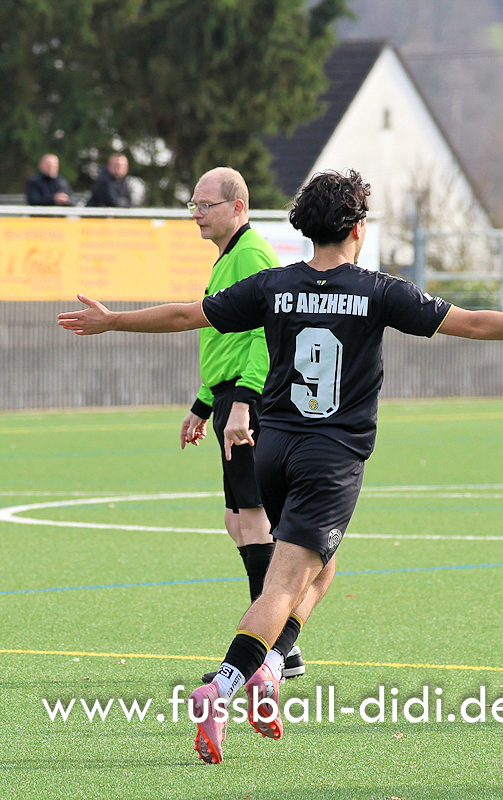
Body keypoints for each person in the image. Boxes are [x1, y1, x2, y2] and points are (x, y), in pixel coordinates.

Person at [57, 169, 503, 764]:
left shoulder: (274, 285)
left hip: (274, 450)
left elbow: (185, 316)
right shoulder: (378, 291)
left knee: (320, 570)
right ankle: (221, 688)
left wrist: (113, 320)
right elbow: (473, 323)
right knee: (284, 585)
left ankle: (271, 666)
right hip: (330, 458)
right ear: (357, 228)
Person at [177, 167, 305, 686]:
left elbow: (262, 339)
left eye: (205, 204)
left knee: (253, 521)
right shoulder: (229, 256)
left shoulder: (251, 255)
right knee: (238, 521)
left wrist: (243, 403)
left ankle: (271, 652)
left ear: (238, 207)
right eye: (193, 204)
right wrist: (204, 403)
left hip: (249, 400)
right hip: (230, 396)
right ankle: (276, 647)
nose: (197, 214)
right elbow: (225, 341)